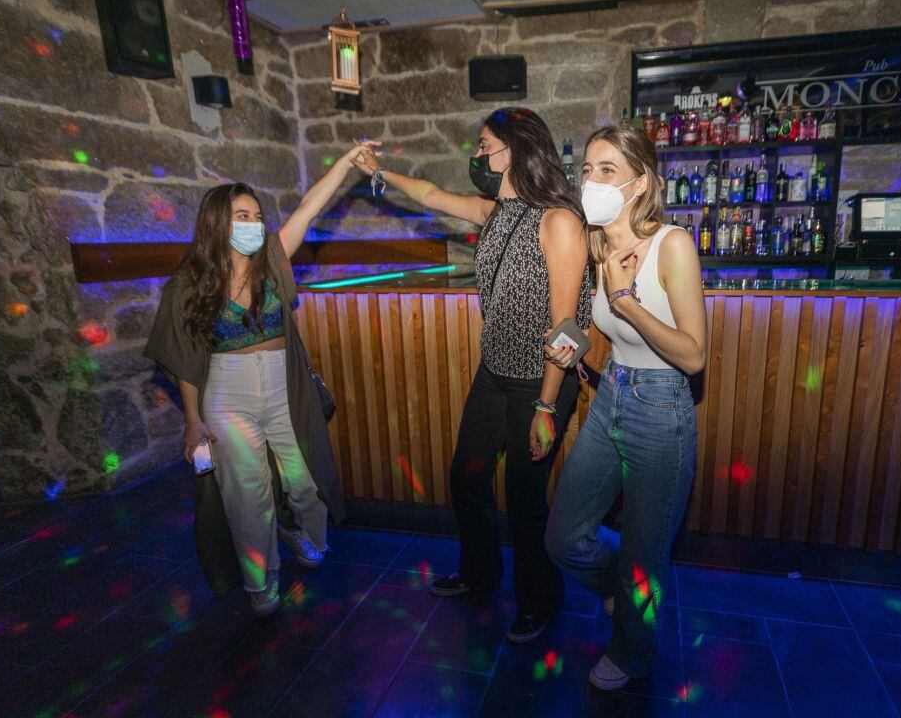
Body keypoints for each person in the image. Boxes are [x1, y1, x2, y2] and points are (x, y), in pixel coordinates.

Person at [353, 108, 591, 642]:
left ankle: (539, 601)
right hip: (496, 371)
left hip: (541, 381)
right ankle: (481, 574)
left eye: (485, 146)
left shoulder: (559, 220)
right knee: (469, 474)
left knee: (525, 497)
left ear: (516, 150)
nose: (477, 156)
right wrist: (378, 170)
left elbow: (568, 328)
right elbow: (432, 194)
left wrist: (548, 408)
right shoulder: (497, 212)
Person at [143, 143, 376, 616]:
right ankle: (260, 581)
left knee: (304, 478)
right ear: (216, 224)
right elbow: (186, 359)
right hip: (226, 392)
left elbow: (310, 206)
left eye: (255, 215)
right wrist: (192, 420)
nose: (251, 224)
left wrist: (346, 163)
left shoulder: (272, 257)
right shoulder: (189, 284)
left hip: (282, 383)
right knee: (247, 493)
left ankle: (305, 538)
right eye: (240, 216)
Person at [543, 124, 707, 690]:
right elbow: (604, 329)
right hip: (612, 393)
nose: (591, 180)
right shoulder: (598, 245)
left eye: (607, 170)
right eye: (587, 169)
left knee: (646, 552)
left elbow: (693, 355)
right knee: (563, 535)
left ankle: (635, 651)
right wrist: (572, 343)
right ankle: (626, 588)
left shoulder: (672, 244)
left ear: (640, 183)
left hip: (662, 410)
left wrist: (627, 303)